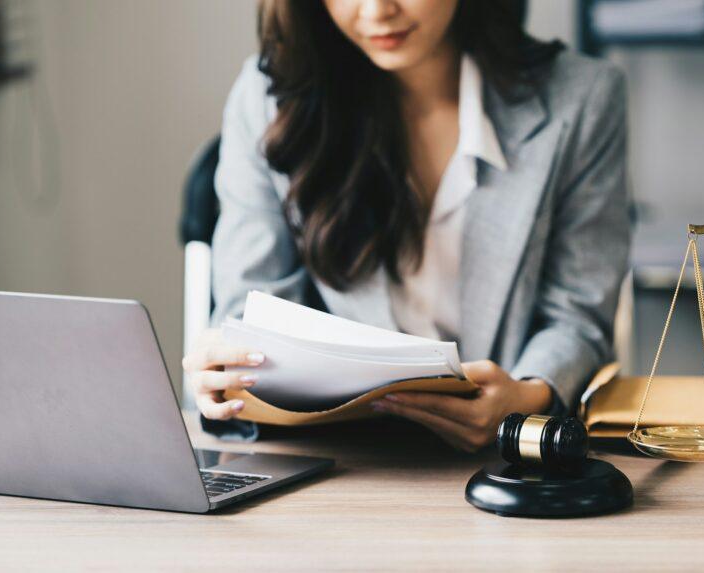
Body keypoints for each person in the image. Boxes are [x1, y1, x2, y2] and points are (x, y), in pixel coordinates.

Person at [182, 0, 631, 451]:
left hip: (506, 464)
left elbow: (577, 315)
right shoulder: (265, 98)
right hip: (341, 461)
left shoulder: (584, 97)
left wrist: (526, 399)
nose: (377, 11)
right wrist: (227, 370)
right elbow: (252, 311)